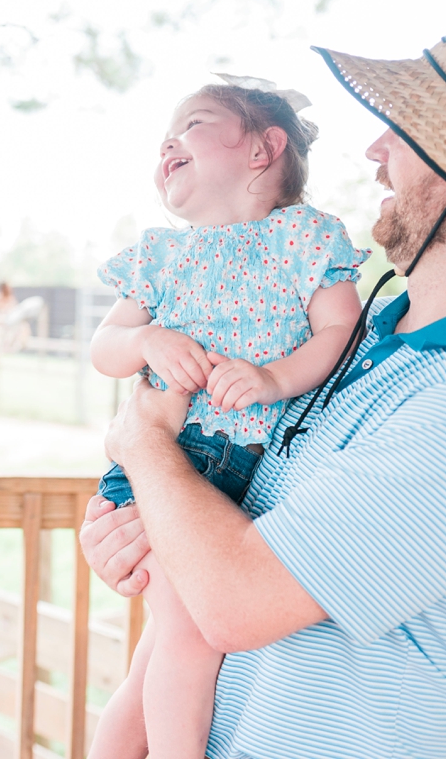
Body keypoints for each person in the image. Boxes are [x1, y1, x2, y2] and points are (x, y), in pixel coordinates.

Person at [80, 11, 446, 758]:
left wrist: (142, 442)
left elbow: (234, 602)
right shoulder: (366, 340)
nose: (374, 147)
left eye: (411, 134)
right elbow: (228, 539)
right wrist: (144, 524)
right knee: (159, 652)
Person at [88, 78, 367, 759]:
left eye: (196, 123)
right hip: (168, 465)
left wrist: (273, 378)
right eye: (168, 134)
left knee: (160, 649)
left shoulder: (307, 238)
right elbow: (105, 347)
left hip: (243, 472)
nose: (168, 141)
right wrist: (148, 340)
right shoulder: (160, 256)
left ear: (263, 150)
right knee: (185, 635)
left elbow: (339, 331)